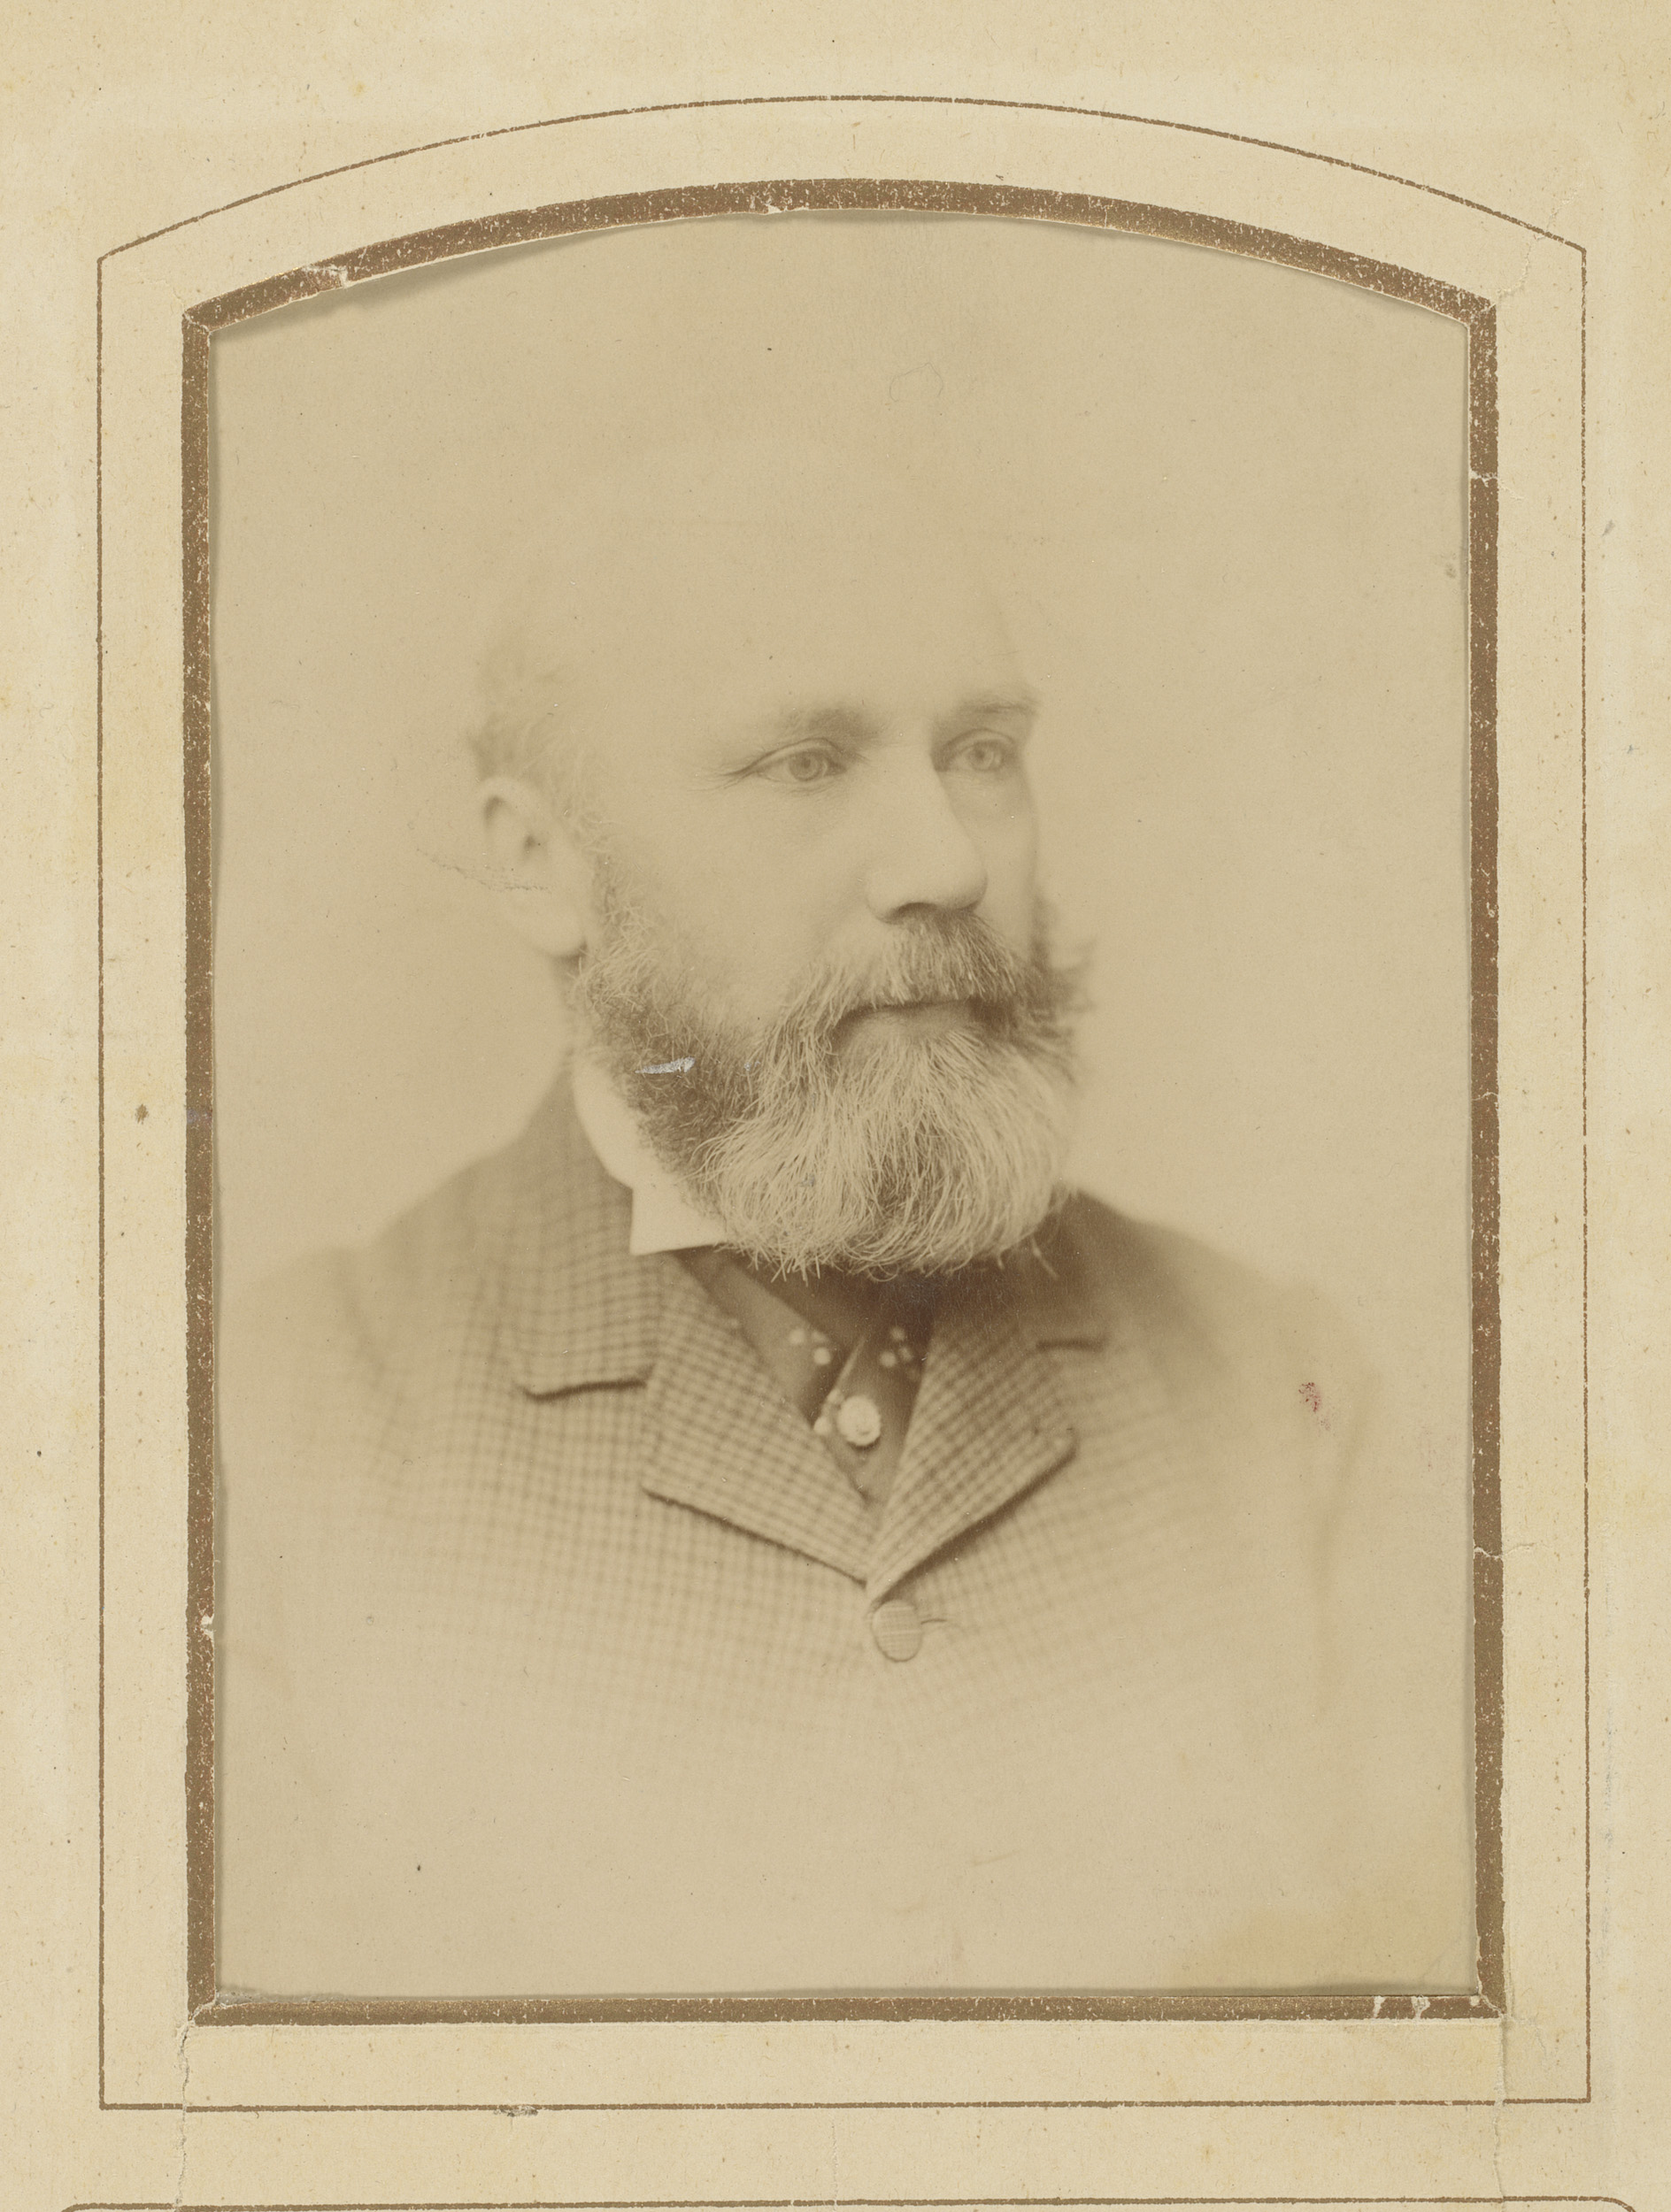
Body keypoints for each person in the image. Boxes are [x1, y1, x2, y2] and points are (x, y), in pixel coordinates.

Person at [216, 441, 1473, 2000]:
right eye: (807, 763)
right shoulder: (271, 1432)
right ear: (541, 865)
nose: (947, 861)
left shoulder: (1282, 1396)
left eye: (984, 753)